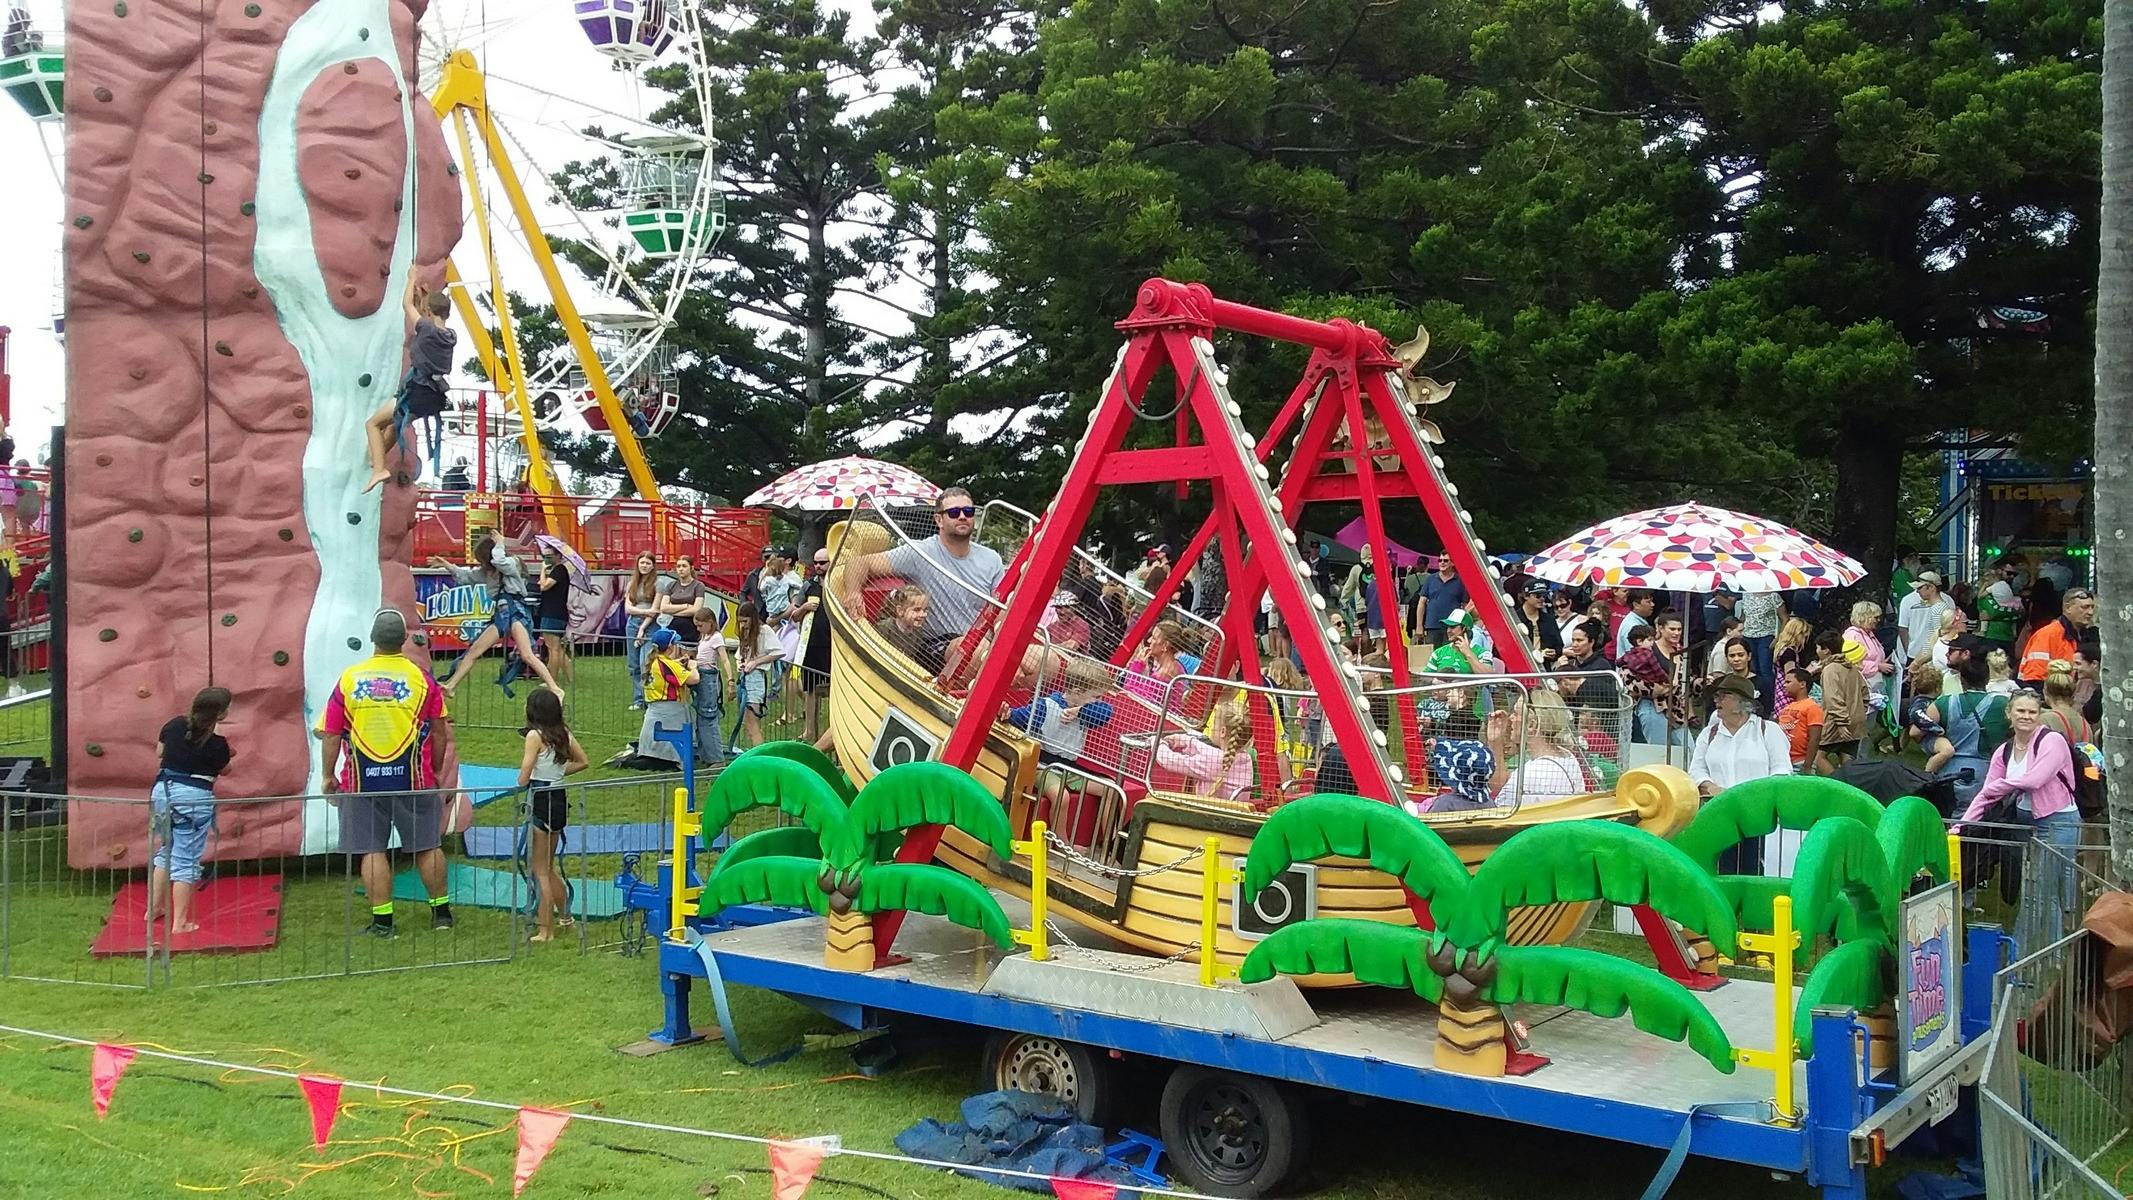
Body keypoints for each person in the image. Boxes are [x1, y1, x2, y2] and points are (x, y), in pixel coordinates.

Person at [316, 609, 453, 936]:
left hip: (362, 780)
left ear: (373, 639)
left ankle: (383, 921)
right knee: (427, 846)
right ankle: (442, 915)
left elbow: (331, 734)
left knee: (371, 849)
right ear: (404, 639)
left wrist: (327, 775)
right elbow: (439, 732)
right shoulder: (422, 679)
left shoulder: (349, 679)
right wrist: (433, 767)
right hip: (414, 778)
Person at [1956, 691, 2082, 948]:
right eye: (2020, 711)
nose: (2026, 717)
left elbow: (2035, 780)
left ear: (2039, 714)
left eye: (2032, 712)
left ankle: (2024, 951)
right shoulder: (2004, 750)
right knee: (2038, 892)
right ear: (2009, 714)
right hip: (2026, 823)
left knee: (2041, 893)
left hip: (2057, 821)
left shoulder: (2052, 741)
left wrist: (2000, 786)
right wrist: (1961, 826)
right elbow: (1986, 794)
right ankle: (2049, 954)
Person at [841, 488, 1005, 657]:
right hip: (939, 646)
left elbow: (1002, 609)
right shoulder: (919, 552)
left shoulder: (992, 559)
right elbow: (859, 562)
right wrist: (853, 592)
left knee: (1032, 657)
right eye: (954, 512)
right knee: (973, 649)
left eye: (968, 511)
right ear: (939, 520)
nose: (963, 516)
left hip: (985, 644)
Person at [147, 686, 234, 937]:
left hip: (163, 790)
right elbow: (226, 770)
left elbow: (160, 752)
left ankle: (154, 908)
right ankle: (180, 923)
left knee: (166, 848)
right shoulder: (217, 744)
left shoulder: (174, 725)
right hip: (193, 797)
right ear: (221, 714)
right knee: (185, 858)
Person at [431, 536, 564, 700]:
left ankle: (555, 688)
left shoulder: (511, 563)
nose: (481, 563)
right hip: (501, 616)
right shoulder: (487, 572)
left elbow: (501, 562)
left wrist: (500, 543)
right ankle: (451, 686)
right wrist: (446, 565)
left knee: (527, 655)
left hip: (516, 613)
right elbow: (466, 576)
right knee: (474, 651)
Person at [1689, 674, 1793, 874]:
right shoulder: (1709, 734)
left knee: (1754, 870)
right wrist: (1712, 787)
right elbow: (1696, 771)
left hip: (1757, 817)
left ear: (1742, 702)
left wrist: (1754, 795)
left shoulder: (1768, 731)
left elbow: (1782, 770)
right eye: (1716, 696)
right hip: (1719, 815)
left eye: (1725, 695)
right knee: (1722, 870)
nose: (1717, 700)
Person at [365, 278, 455, 493]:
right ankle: (373, 460)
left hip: (417, 392)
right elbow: (431, 315)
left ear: (428, 313)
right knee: (395, 424)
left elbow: (407, 306)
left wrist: (410, 277)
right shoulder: (450, 335)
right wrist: (425, 298)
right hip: (434, 398)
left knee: (373, 424)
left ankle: (379, 469)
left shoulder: (425, 329)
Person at [517, 689, 587, 943]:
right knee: (548, 866)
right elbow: (583, 761)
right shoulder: (563, 733)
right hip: (558, 797)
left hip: (540, 798)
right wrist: (556, 772)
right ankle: (566, 918)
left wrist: (525, 780)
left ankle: (545, 930)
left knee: (540, 870)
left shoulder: (535, 736)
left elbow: (525, 772)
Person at [1923, 652, 2008, 815]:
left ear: (1961, 680)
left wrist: (1933, 744)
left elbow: (1917, 730)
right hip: (1986, 774)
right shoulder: (2003, 704)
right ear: (1987, 679)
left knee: (1947, 819)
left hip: (1947, 772)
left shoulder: (1943, 702)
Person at [611, 627, 698, 768]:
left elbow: (669, 669)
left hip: (656, 712)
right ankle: (627, 762)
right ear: (670, 647)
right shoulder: (667, 664)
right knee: (668, 760)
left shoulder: (654, 660)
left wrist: (679, 663)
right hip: (669, 714)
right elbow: (693, 679)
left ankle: (629, 760)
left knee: (656, 755)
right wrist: (693, 666)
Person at [1484, 689, 1586, 805]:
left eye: (1516, 713)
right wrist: (1495, 742)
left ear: (1531, 725)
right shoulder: (1568, 757)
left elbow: (1500, 810)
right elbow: (1502, 785)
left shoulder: (1531, 773)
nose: (1511, 718)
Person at [1156, 692, 1254, 801]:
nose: (1211, 728)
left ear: (1223, 731)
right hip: (1230, 812)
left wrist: (1157, 743)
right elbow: (1209, 753)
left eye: (1214, 725)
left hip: (1209, 814)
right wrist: (1185, 740)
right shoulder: (1246, 758)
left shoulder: (1214, 760)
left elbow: (1168, 761)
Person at [794, 549, 834, 746]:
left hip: (832, 646)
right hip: (810, 644)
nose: (818, 566)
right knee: (810, 689)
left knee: (833, 689)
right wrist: (803, 609)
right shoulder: (808, 586)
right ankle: (809, 729)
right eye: (816, 563)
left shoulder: (837, 585)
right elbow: (793, 614)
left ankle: (832, 730)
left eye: (823, 563)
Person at [733, 602, 782, 751]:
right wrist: (740, 664)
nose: (742, 625)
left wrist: (755, 662)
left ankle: (760, 753)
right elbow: (738, 655)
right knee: (747, 722)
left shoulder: (764, 630)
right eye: (740, 621)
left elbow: (778, 652)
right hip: (745, 677)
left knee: (752, 721)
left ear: (753, 618)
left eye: (745, 621)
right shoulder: (745, 633)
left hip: (756, 678)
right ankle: (756, 752)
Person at [2019, 586, 2094, 683]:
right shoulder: (2047, 635)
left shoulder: (2088, 637)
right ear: (2068, 608)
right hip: (2051, 695)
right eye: (2085, 607)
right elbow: (2035, 679)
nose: (2090, 612)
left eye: (2092, 607)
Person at [691, 608, 736, 766]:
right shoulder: (704, 636)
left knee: (709, 718)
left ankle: (717, 758)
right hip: (700, 675)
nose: (698, 629)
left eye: (700, 625)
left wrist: (730, 681)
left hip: (709, 678)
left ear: (710, 622)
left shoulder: (717, 638)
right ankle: (706, 755)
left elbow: (724, 660)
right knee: (700, 718)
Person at [624, 553, 664, 707]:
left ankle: (650, 697)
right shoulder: (632, 583)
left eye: (648, 563)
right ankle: (638, 699)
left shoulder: (658, 584)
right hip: (632, 624)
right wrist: (643, 612)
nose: (644, 566)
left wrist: (642, 628)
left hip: (650, 626)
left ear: (653, 565)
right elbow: (627, 608)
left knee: (645, 663)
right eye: (642, 563)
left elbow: (654, 611)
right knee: (633, 664)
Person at [533, 544, 575, 690]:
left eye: (550, 556)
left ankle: (551, 679)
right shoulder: (558, 571)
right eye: (545, 556)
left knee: (553, 648)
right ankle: (571, 679)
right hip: (554, 613)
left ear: (558, 556)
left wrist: (542, 570)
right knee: (559, 649)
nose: (547, 559)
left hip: (553, 613)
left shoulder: (559, 570)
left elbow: (544, 586)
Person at [1895, 571, 1954, 664]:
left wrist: (1917, 662)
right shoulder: (1940, 606)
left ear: (1931, 587)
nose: (1917, 591)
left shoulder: (1938, 609)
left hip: (1932, 659)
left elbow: (1935, 640)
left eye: (1920, 587)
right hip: (1928, 657)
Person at [1775, 669, 1823, 775]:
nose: (1784, 685)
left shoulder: (1812, 707)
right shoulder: (1785, 709)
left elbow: (1814, 738)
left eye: (1788, 682)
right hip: (1785, 762)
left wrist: (1808, 765)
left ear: (1802, 684)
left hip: (1801, 762)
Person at [1414, 555, 1467, 648]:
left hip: (1452, 627)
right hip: (1432, 625)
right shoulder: (1430, 579)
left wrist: (1462, 626)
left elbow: (1465, 605)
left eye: (1445, 560)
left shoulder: (1460, 581)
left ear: (1453, 563)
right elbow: (1421, 603)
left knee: (1450, 656)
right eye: (1440, 560)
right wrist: (1419, 626)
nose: (1442, 563)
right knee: (1433, 657)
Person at [1978, 555, 2025, 657]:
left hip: (2008, 638)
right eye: (2009, 573)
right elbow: (1995, 612)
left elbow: (2020, 613)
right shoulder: (1988, 595)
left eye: (2014, 574)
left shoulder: (2009, 591)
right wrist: (2011, 614)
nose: (2012, 577)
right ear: (1999, 571)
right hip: (1993, 638)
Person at [1509, 580, 1563, 666]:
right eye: (1538, 596)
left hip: (1543, 667)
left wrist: (1554, 654)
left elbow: (1559, 645)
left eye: (1544, 595)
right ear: (1526, 596)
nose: (1542, 599)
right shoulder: (1513, 618)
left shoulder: (1549, 619)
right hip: (1520, 667)